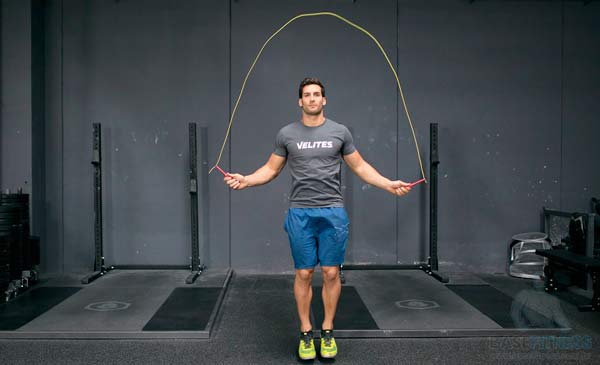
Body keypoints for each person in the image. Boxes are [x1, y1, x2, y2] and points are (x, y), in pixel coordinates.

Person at [224, 77, 412, 360]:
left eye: (317, 94)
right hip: (300, 212)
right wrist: (247, 180)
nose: (312, 99)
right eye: (307, 95)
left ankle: (327, 331)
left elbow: (359, 166)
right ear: (300, 101)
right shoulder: (286, 134)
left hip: (332, 212)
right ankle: (305, 332)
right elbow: (271, 169)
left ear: (324, 100)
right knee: (303, 273)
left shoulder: (340, 132)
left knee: (332, 272)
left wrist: (388, 184)